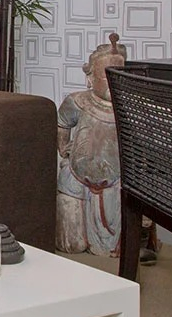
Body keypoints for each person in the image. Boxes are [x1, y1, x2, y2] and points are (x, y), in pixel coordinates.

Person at [55, 33, 153, 260]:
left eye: (118, 75)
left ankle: (117, 246)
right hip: (76, 177)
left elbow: (141, 146)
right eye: (106, 76)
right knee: (71, 243)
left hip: (114, 180)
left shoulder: (131, 108)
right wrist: (63, 147)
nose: (112, 82)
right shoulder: (78, 101)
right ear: (90, 78)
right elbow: (61, 122)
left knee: (108, 243)